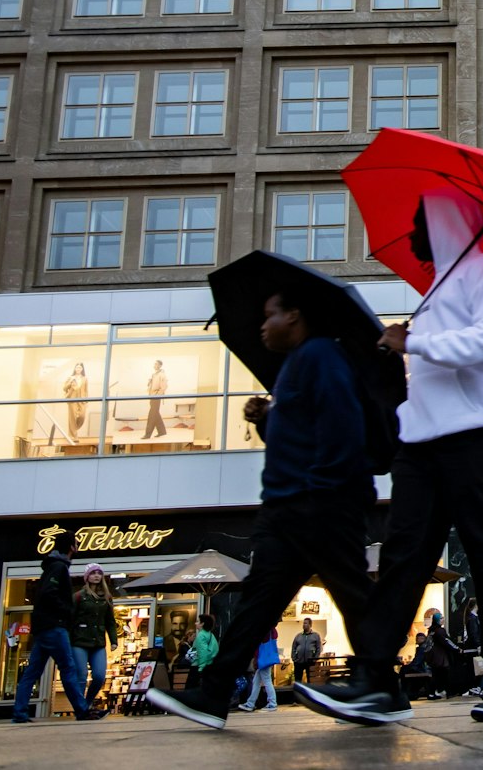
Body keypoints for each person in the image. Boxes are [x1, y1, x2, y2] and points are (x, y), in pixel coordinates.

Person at [299, 190, 483, 724]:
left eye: (421, 221)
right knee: (403, 557)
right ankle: (376, 681)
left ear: (447, 223)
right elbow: (435, 365)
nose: (413, 232)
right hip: (422, 442)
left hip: (477, 435)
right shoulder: (435, 289)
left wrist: (416, 344)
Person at [149, 290, 376, 729]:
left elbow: (341, 426)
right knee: (260, 602)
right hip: (288, 507)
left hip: (316, 502)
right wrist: (266, 419)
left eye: (269, 313)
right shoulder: (295, 366)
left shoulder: (321, 357)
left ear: (295, 314)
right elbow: (298, 437)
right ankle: (213, 695)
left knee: (351, 592)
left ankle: (379, 683)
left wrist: (319, 491)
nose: (261, 324)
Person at [12, 541, 103, 722]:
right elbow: (49, 593)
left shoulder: (51, 566)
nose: (77, 548)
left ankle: (19, 712)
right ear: (71, 547)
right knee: (68, 669)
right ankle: (82, 710)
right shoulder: (59, 567)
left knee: (32, 672)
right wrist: (65, 611)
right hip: (54, 627)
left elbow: (44, 594)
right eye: (76, 544)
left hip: (43, 628)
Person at [68, 564, 121, 705]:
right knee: (81, 675)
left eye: (99, 573)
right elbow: (70, 619)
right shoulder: (79, 596)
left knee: (99, 676)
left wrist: (114, 640)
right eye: (93, 573)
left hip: (98, 642)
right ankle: (79, 706)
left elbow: (110, 620)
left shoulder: (107, 597)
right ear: (87, 577)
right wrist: (68, 640)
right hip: (79, 641)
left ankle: (87, 702)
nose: (96, 576)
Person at [241, 629, 281, 712]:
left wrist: (256, 658)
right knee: (257, 681)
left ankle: (272, 703)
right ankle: (250, 703)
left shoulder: (264, 630)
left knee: (266, 680)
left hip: (263, 659)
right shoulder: (272, 630)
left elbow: (258, 644)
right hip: (267, 658)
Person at [291, 617, 323, 686]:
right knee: (298, 681)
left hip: (310, 662)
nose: (303, 625)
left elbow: (319, 648)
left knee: (310, 681)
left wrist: (315, 659)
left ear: (310, 625)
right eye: (303, 623)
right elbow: (293, 647)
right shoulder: (298, 636)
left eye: (305, 623)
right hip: (299, 662)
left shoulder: (316, 636)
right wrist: (294, 658)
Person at [63, 362, 89, 441]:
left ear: (82, 369)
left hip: (82, 399)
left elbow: (86, 390)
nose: (78, 369)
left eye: (80, 368)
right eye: (77, 367)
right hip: (72, 399)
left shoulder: (85, 378)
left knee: (82, 416)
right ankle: (73, 436)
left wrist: (87, 400)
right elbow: (64, 388)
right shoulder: (70, 377)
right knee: (72, 418)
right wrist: (70, 383)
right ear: (75, 368)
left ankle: (73, 430)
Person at [143, 359, 169, 440]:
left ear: (160, 365)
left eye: (156, 364)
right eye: (154, 364)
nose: (154, 366)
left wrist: (157, 395)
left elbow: (164, 387)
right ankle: (162, 431)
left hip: (156, 396)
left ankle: (147, 434)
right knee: (155, 414)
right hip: (152, 395)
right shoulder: (154, 374)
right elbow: (151, 385)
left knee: (152, 415)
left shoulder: (162, 375)